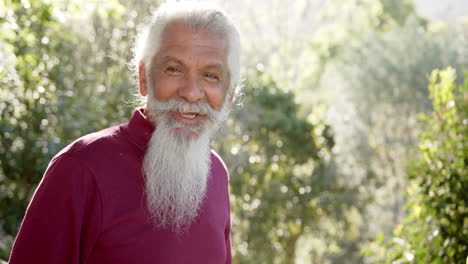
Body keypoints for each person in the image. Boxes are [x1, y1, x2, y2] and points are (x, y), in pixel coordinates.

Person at [8, 1, 241, 263]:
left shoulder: (217, 173)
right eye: (174, 69)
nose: (190, 91)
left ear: (229, 95)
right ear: (144, 78)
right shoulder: (80, 169)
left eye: (210, 76)